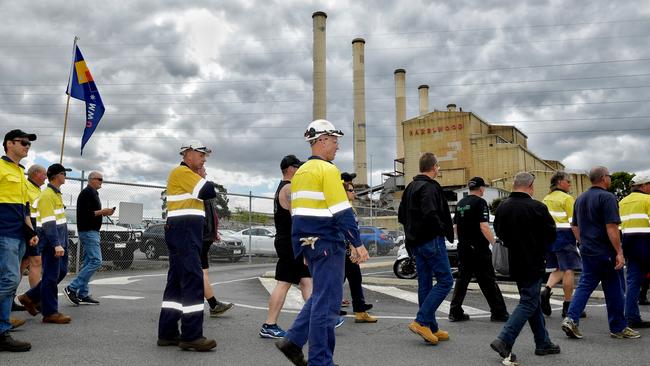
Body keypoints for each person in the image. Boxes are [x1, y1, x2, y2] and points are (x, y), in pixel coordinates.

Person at [275, 119, 368, 366]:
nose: (337, 147)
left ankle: (293, 340)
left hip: (311, 243)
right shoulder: (328, 170)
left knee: (321, 298)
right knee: (327, 304)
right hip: (328, 243)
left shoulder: (302, 172)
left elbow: (298, 214)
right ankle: (320, 361)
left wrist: (304, 246)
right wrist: (357, 243)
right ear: (323, 140)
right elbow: (342, 211)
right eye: (335, 141)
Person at [561, 166, 641, 339]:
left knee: (585, 285)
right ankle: (618, 327)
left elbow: (574, 226)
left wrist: (583, 242)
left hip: (588, 250)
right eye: (609, 176)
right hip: (606, 251)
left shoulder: (580, 198)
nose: (610, 179)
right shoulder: (608, 197)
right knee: (615, 288)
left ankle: (571, 318)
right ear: (604, 178)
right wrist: (619, 252)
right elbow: (612, 227)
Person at [490, 172, 560, 365]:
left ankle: (543, 342)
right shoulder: (537, 207)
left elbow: (499, 231)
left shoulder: (502, 207)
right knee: (529, 302)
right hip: (533, 261)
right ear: (530, 186)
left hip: (514, 262)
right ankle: (504, 339)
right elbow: (551, 236)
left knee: (532, 301)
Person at [157, 141, 217, 351]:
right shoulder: (182, 172)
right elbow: (209, 190)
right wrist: (201, 175)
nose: (203, 159)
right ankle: (191, 335)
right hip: (184, 231)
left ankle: (167, 333)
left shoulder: (184, 175)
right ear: (188, 154)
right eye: (201, 155)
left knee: (175, 282)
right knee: (193, 279)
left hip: (181, 231)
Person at [398, 152, 454, 345]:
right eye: (438, 166)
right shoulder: (429, 187)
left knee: (425, 284)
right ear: (434, 167)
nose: (438, 170)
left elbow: (402, 216)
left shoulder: (411, 187)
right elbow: (430, 212)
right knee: (446, 281)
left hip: (416, 243)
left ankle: (431, 327)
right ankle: (421, 321)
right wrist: (441, 229)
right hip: (431, 241)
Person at [260, 155, 313, 339]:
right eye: (298, 167)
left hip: (291, 241)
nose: (300, 170)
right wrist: (307, 240)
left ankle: (320, 318)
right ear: (290, 169)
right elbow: (297, 219)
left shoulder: (282, 187)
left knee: (307, 280)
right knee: (284, 283)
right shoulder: (289, 188)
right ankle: (269, 324)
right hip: (290, 242)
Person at [449, 176, 508, 322]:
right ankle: (498, 312)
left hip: (463, 247)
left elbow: (455, 227)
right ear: (481, 188)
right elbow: (484, 226)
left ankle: (455, 311)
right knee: (487, 280)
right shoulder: (481, 203)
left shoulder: (461, 203)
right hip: (479, 248)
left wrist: (463, 239)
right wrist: (494, 243)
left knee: (462, 280)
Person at [19, 163, 72, 325]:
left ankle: (30, 296)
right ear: (56, 176)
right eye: (64, 173)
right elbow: (49, 223)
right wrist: (56, 244)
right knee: (51, 276)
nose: (65, 176)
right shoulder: (48, 195)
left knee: (61, 272)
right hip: (51, 241)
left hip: (60, 240)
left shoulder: (56, 194)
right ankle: (50, 312)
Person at [0, 129, 38, 352]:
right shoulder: (1, 167)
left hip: (18, 235)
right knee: (10, 279)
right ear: (8, 144)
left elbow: (24, 210)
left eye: (28, 144)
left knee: (9, 280)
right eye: (22, 142)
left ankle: (2, 330)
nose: (26, 146)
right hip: (4, 233)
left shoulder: (21, 174)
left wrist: (31, 233)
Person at [64, 171, 114, 306]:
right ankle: (72, 287)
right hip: (88, 231)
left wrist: (103, 212)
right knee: (96, 261)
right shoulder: (87, 193)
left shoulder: (93, 194)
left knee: (88, 262)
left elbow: (92, 214)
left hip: (92, 231)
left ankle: (83, 293)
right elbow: (86, 214)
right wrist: (104, 212)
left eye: (102, 180)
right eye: (99, 179)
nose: (101, 182)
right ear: (91, 179)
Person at [540, 171, 585, 318]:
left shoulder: (546, 198)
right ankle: (568, 306)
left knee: (559, 268)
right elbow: (574, 223)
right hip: (564, 235)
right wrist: (580, 240)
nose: (570, 184)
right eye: (568, 182)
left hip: (548, 236)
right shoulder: (567, 198)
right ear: (560, 182)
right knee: (568, 270)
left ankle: (546, 290)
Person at [196, 166, 233, 318]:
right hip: (201, 237)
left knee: (202, 272)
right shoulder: (198, 188)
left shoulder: (205, 191)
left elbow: (213, 216)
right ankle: (212, 304)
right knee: (199, 272)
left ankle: (212, 304)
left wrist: (214, 232)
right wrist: (209, 232)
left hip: (207, 236)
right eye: (203, 169)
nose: (206, 172)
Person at [341, 172, 377, 324]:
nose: (354, 192)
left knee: (354, 279)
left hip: (348, 250)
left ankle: (360, 311)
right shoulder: (343, 208)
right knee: (340, 280)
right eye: (351, 190)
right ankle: (331, 310)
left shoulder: (349, 207)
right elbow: (345, 229)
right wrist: (352, 248)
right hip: (345, 251)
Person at [619, 176, 650, 328]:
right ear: (643, 186)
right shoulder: (648, 200)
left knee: (632, 282)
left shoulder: (622, 202)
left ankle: (631, 317)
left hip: (630, 246)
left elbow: (618, 227)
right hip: (647, 244)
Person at [20, 164, 46, 288]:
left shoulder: (37, 189)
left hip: (35, 227)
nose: (46, 177)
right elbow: (26, 211)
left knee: (24, 262)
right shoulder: (26, 186)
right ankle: (34, 298)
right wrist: (31, 231)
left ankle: (10, 298)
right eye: (44, 174)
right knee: (35, 261)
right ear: (36, 174)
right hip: (28, 227)